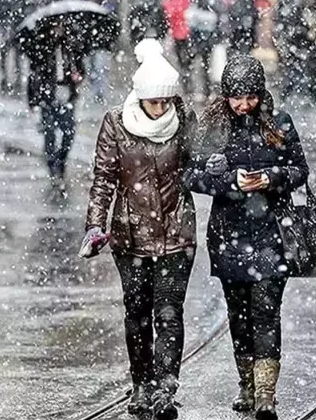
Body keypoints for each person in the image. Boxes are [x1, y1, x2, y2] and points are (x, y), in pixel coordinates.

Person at [185, 55, 309, 420]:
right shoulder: (213, 129)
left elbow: (299, 169)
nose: (243, 105)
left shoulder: (280, 123)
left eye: (250, 96)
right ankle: (247, 385)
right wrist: (230, 183)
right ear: (225, 96)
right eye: (236, 97)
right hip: (228, 237)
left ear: (260, 93)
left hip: (273, 235)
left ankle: (266, 395)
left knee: (267, 313)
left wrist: (271, 178)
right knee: (238, 315)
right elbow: (191, 176)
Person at [82, 38, 197, 420]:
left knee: (168, 313)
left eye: (166, 101)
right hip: (129, 239)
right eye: (154, 101)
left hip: (176, 235)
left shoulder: (184, 121)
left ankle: (166, 386)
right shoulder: (116, 123)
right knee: (137, 313)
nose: (161, 107)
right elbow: (104, 179)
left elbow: (199, 166)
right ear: (139, 96)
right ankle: (141, 383)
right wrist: (95, 225)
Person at [26, 21, 85, 184]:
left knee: (69, 133)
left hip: (67, 95)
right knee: (50, 133)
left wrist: (78, 76)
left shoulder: (71, 47)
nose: (57, 29)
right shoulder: (41, 47)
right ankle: (52, 166)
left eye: (60, 26)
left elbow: (81, 69)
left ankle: (61, 160)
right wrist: (32, 101)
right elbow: (33, 76)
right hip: (48, 97)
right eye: (54, 26)